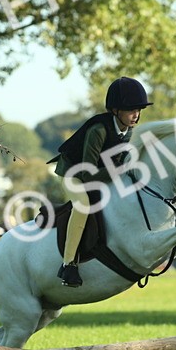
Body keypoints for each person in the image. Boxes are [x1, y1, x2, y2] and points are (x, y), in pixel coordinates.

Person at [48, 77, 151, 287]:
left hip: (99, 174)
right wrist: (122, 169)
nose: (136, 115)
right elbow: (88, 173)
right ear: (115, 110)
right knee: (83, 206)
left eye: (139, 110)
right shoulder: (99, 130)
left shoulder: (128, 131)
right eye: (131, 110)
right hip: (74, 174)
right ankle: (68, 265)